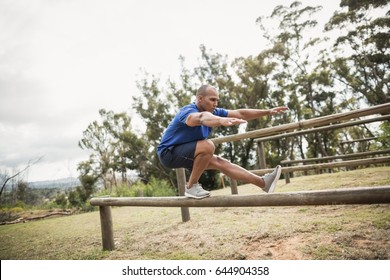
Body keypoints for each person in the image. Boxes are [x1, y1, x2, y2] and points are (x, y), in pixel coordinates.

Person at [157, 85, 289, 199]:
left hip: (188, 152)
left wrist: (267, 112)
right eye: (212, 100)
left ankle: (264, 183)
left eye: (217, 100)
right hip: (168, 154)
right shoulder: (188, 112)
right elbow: (202, 118)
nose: (215, 103)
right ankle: (191, 187)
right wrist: (220, 120)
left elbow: (240, 113)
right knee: (208, 146)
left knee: (221, 162)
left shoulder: (214, 111)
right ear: (200, 99)